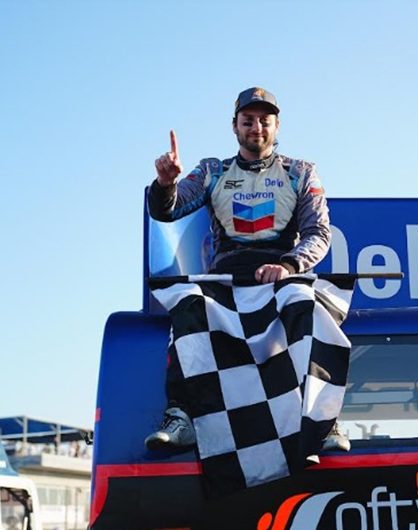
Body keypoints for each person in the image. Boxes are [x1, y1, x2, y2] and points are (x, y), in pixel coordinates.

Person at [144, 86, 349, 452]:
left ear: (277, 126)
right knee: (189, 303)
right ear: (234, 126)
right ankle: (180, 416)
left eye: (264, 121)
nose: (256, 128)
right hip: (225, 278)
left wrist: (288, 264)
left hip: (281, 276)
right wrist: (166, 183)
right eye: (248, 121)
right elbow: (166, 211)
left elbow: (319, 233)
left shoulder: (300, 172)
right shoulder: (212, 171)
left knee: (309, 305)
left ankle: (325, 420)